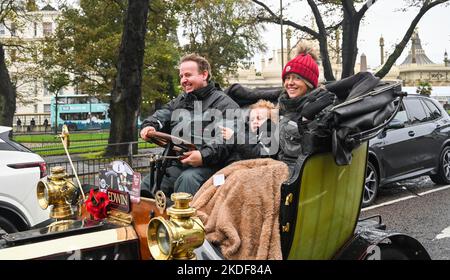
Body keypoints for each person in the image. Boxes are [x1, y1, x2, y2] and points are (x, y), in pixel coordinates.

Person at [140, 53, 239, 197]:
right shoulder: (180, 101)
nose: (183, 80)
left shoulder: (224, 104)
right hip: (179, 163)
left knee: (187, 180)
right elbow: (162, 114)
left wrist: (202, 156)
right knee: (149, 183)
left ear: (204, 75)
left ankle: (183, 218)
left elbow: (226, 140)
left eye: (188, 75)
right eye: (181, 76)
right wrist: (149, 125)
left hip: (212, 166)